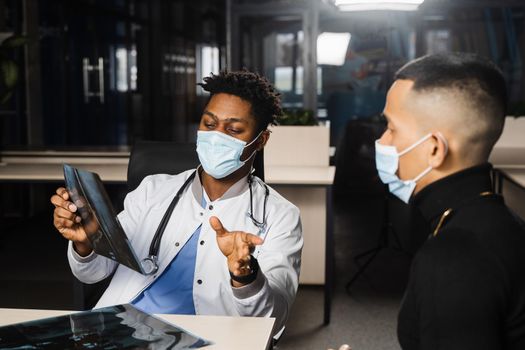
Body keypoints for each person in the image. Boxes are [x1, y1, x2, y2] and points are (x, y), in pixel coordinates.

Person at [50, 70, 303, 335]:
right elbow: (93, 273)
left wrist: (245, 275)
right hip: (124, 331)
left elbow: (274, 317)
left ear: (260, 140)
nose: (217, 136)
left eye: (233, 129)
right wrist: (85, 242)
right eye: (209, 123)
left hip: (207, 338)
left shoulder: (280, 216)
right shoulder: (153, 190)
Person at [375, 53, 525, 349]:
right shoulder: (502, 223)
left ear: (434, 149)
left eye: (392, 128)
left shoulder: (454, 258)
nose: (382, 141)